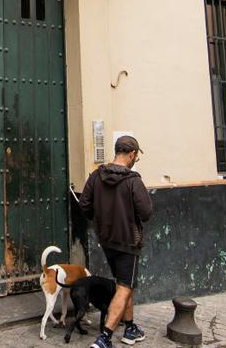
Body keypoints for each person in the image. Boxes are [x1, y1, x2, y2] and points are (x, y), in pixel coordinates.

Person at [79, 135, 153, 347]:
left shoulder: (96, 176)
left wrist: (101, 218)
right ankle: (105, 337)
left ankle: (129, 328)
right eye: (135, 157)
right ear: (132, 154)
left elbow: (84, 205)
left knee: (124, 283)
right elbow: (146, 212)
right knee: (125, 286)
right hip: (128, 242)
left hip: (106, 240)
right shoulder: (133, 181)